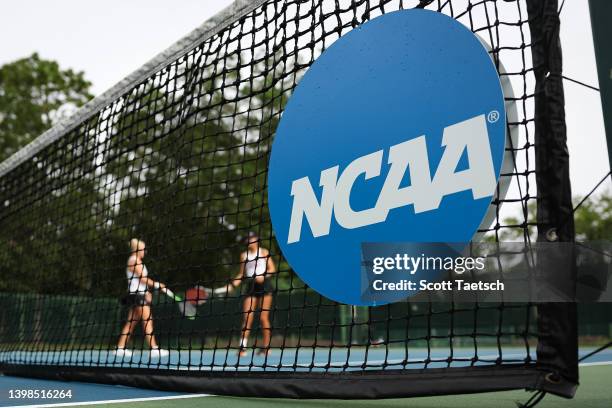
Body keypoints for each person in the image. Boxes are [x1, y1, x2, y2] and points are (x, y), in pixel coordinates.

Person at [222, 233, 276, 357]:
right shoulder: (244, 255)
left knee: (263, 318)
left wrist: (263, 276)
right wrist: (232, 285)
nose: (249, 240)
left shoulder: (263, 252)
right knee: (247, 318)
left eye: (251, 238)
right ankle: (243, 348)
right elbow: (241, 274)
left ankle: (266, 347)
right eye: (248, 239)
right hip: (251, 287)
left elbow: (272, 269)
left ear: (257, 240)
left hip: (265, 286)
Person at [115, 238, 169, 358]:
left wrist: (147, 292)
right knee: (147, 321)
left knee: (131, 322)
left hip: (138, 294)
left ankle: (120, 347)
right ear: (138, 249)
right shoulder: (134, 260)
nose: (144, 251)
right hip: (137, 295)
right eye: (143, 249)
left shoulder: (137, 261)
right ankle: (154, 348)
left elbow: (140, 282)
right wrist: (156, 284)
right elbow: (142, 279)